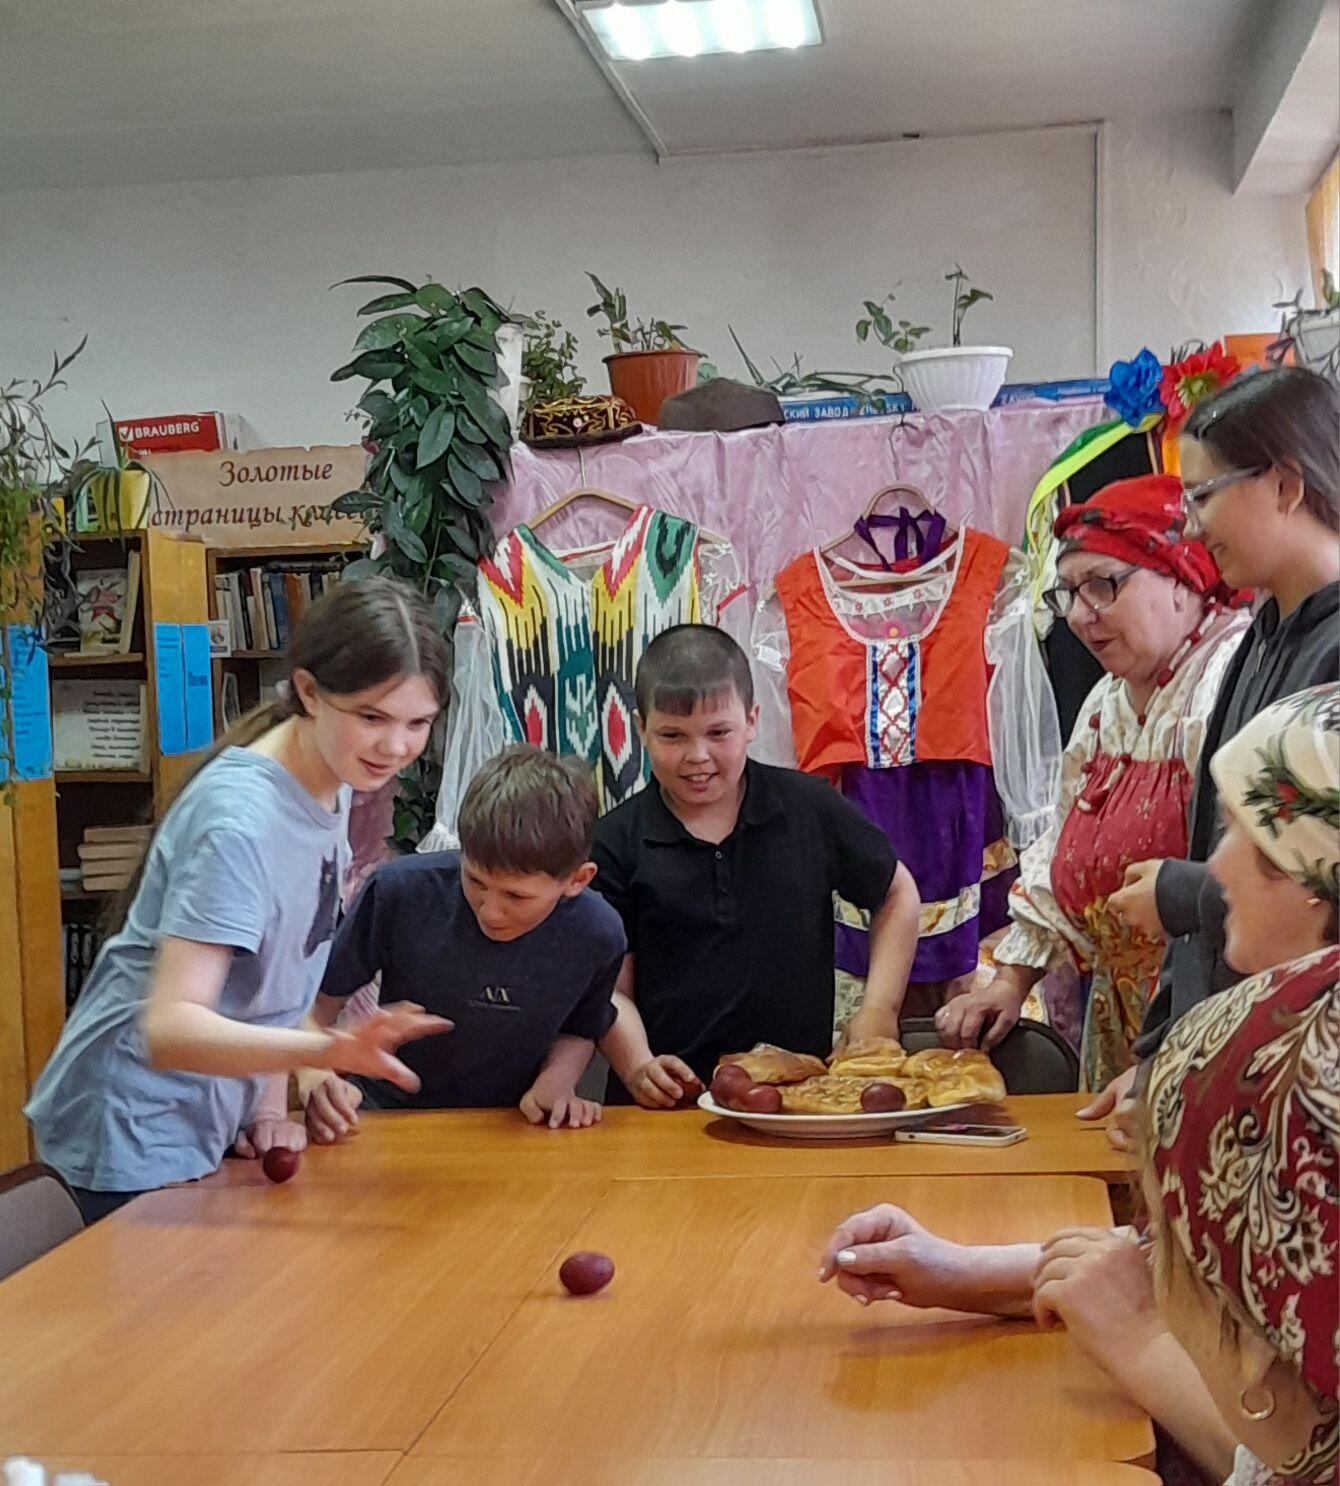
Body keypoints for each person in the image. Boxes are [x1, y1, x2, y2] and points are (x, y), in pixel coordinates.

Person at [819, 685, 1340, 1486]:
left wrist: (1141, 1344)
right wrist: (959, 1270)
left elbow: (1304, 1460)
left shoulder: (1302, 1083)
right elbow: (1196, 1271)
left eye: (1243, 832)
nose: (1213, 868)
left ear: (1312, 873)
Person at [26, 579, 451, 1223]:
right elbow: (170, 1028)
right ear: (309, 693)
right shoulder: (239, 824)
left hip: (204, 1117)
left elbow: (276, 973)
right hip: (131, 1127)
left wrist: (268, 1108)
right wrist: (323, 1052)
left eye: (417, 723)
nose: (396, 747)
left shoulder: (331, 779)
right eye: (372, 717)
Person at [936, 474, 1250, 1094]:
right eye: (1070, 592)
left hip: (1212, 1016)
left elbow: (1263, 883)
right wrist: (1011, 981)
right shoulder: (1109, 702)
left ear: (1182, 577)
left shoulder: (1225, 683)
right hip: (1117, 1021)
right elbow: (1060, 842)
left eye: (1104, 584)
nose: (1082, 615)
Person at [1105, 367, 1338, 1082]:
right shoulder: (1259, 638)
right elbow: (1216, 836)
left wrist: (1185, 894)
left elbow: (1319, 881)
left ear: (1286, 485)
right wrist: (1164, 1053)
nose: (1191, 524)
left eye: (1204, 495)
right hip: (1230, 1052)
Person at [593, 624, 921, 1107]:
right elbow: (609, 987)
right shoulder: (612, 843)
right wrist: (637, 1063)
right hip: (666, 1109)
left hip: (799, 1102)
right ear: (640, 728)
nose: (697, 756)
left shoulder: (809, 807)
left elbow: (896, 892)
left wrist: (879, 1010)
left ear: (752, 721)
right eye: (672, 735)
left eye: (718, 732)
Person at [302, 745, 624, 1136]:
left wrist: (556, 1081)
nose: (490, 911)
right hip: (385, 1117)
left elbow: (581, 1027)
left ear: (577, 880)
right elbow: (314, 1005)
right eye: (474, 880)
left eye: (517, 896)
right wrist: (315, 1075)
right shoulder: (399, 892)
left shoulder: (598, 933)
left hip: (514, 1126)